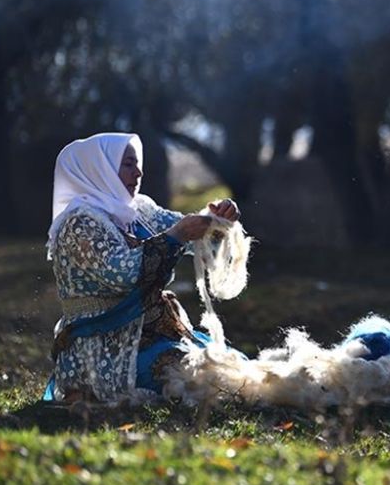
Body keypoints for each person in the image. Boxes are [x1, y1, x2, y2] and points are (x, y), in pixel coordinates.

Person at [43, 132, 241, 403]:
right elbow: (124, 275)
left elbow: (189, 231)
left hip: (148, 334)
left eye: (138, 165)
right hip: (103, 347)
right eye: (127, 164)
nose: (138, 173)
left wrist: (216, 219)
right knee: (188, 374)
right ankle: (85, 389)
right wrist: (177, 235)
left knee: (226, 363)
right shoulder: (78, 224)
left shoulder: (138, 211)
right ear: (100, 167)